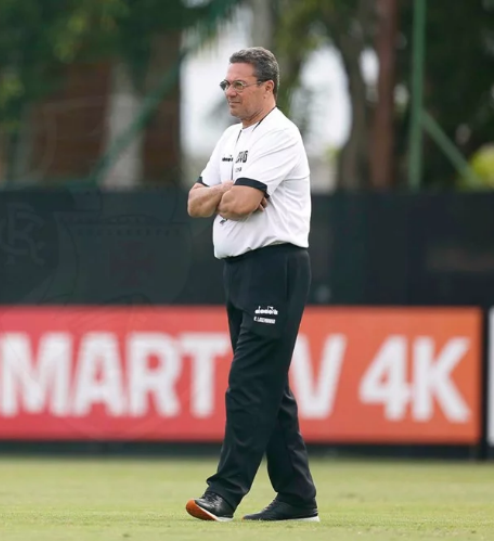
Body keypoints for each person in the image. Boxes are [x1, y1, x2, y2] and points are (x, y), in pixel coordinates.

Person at [184, 47, 319, 523]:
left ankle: (223, 493)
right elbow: (195, 203)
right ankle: (297, 497)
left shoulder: (281, 134)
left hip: (274, 266)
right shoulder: (229, 137)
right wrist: (232, 190)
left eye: (239, 84)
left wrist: (229, 193)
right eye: (226, 84)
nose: (230, 92)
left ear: (268, 87)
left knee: (248, 383)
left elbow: (241, 202)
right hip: (239, 269)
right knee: (269, 389)